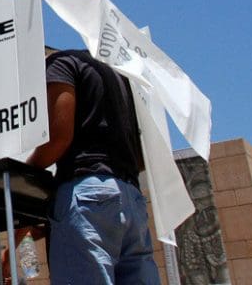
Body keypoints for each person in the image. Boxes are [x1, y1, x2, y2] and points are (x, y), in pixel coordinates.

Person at [8, 48, 158, 284]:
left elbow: (58, 138)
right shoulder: (120, 78)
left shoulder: (60, 63)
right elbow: (140, 158)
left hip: (86, 194)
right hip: (131, 199)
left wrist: (24, 175)